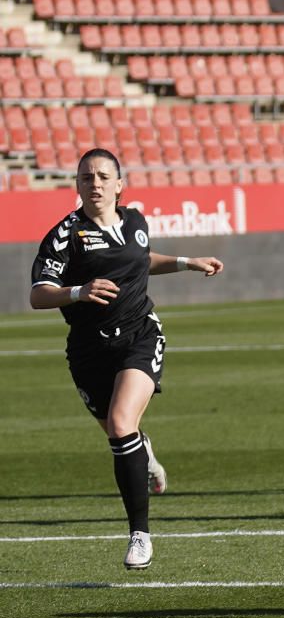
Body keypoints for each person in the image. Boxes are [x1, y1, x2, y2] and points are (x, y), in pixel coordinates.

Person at [29, 148, 224, 570]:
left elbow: (140, 260)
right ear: (77, 186)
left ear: (119, 184)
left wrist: (188, 262)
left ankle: (140, 535)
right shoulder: (66, 235)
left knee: (120, 426)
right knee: (121, 435)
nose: (94, 183)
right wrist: (78, 291)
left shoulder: (135, 221)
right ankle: (144, 450)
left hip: (139, 334)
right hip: (87, 351)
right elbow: (38, 293)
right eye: (86, 177)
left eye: (102, 176)